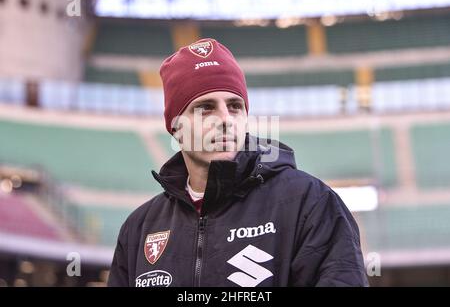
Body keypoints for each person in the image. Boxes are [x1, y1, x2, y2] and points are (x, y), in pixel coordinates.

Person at [107, 38, 368, 287]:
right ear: (176, 126)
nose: (225, 119)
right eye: (205, 108)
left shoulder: (309, 203)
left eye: (234, 106)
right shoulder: (139, 228)